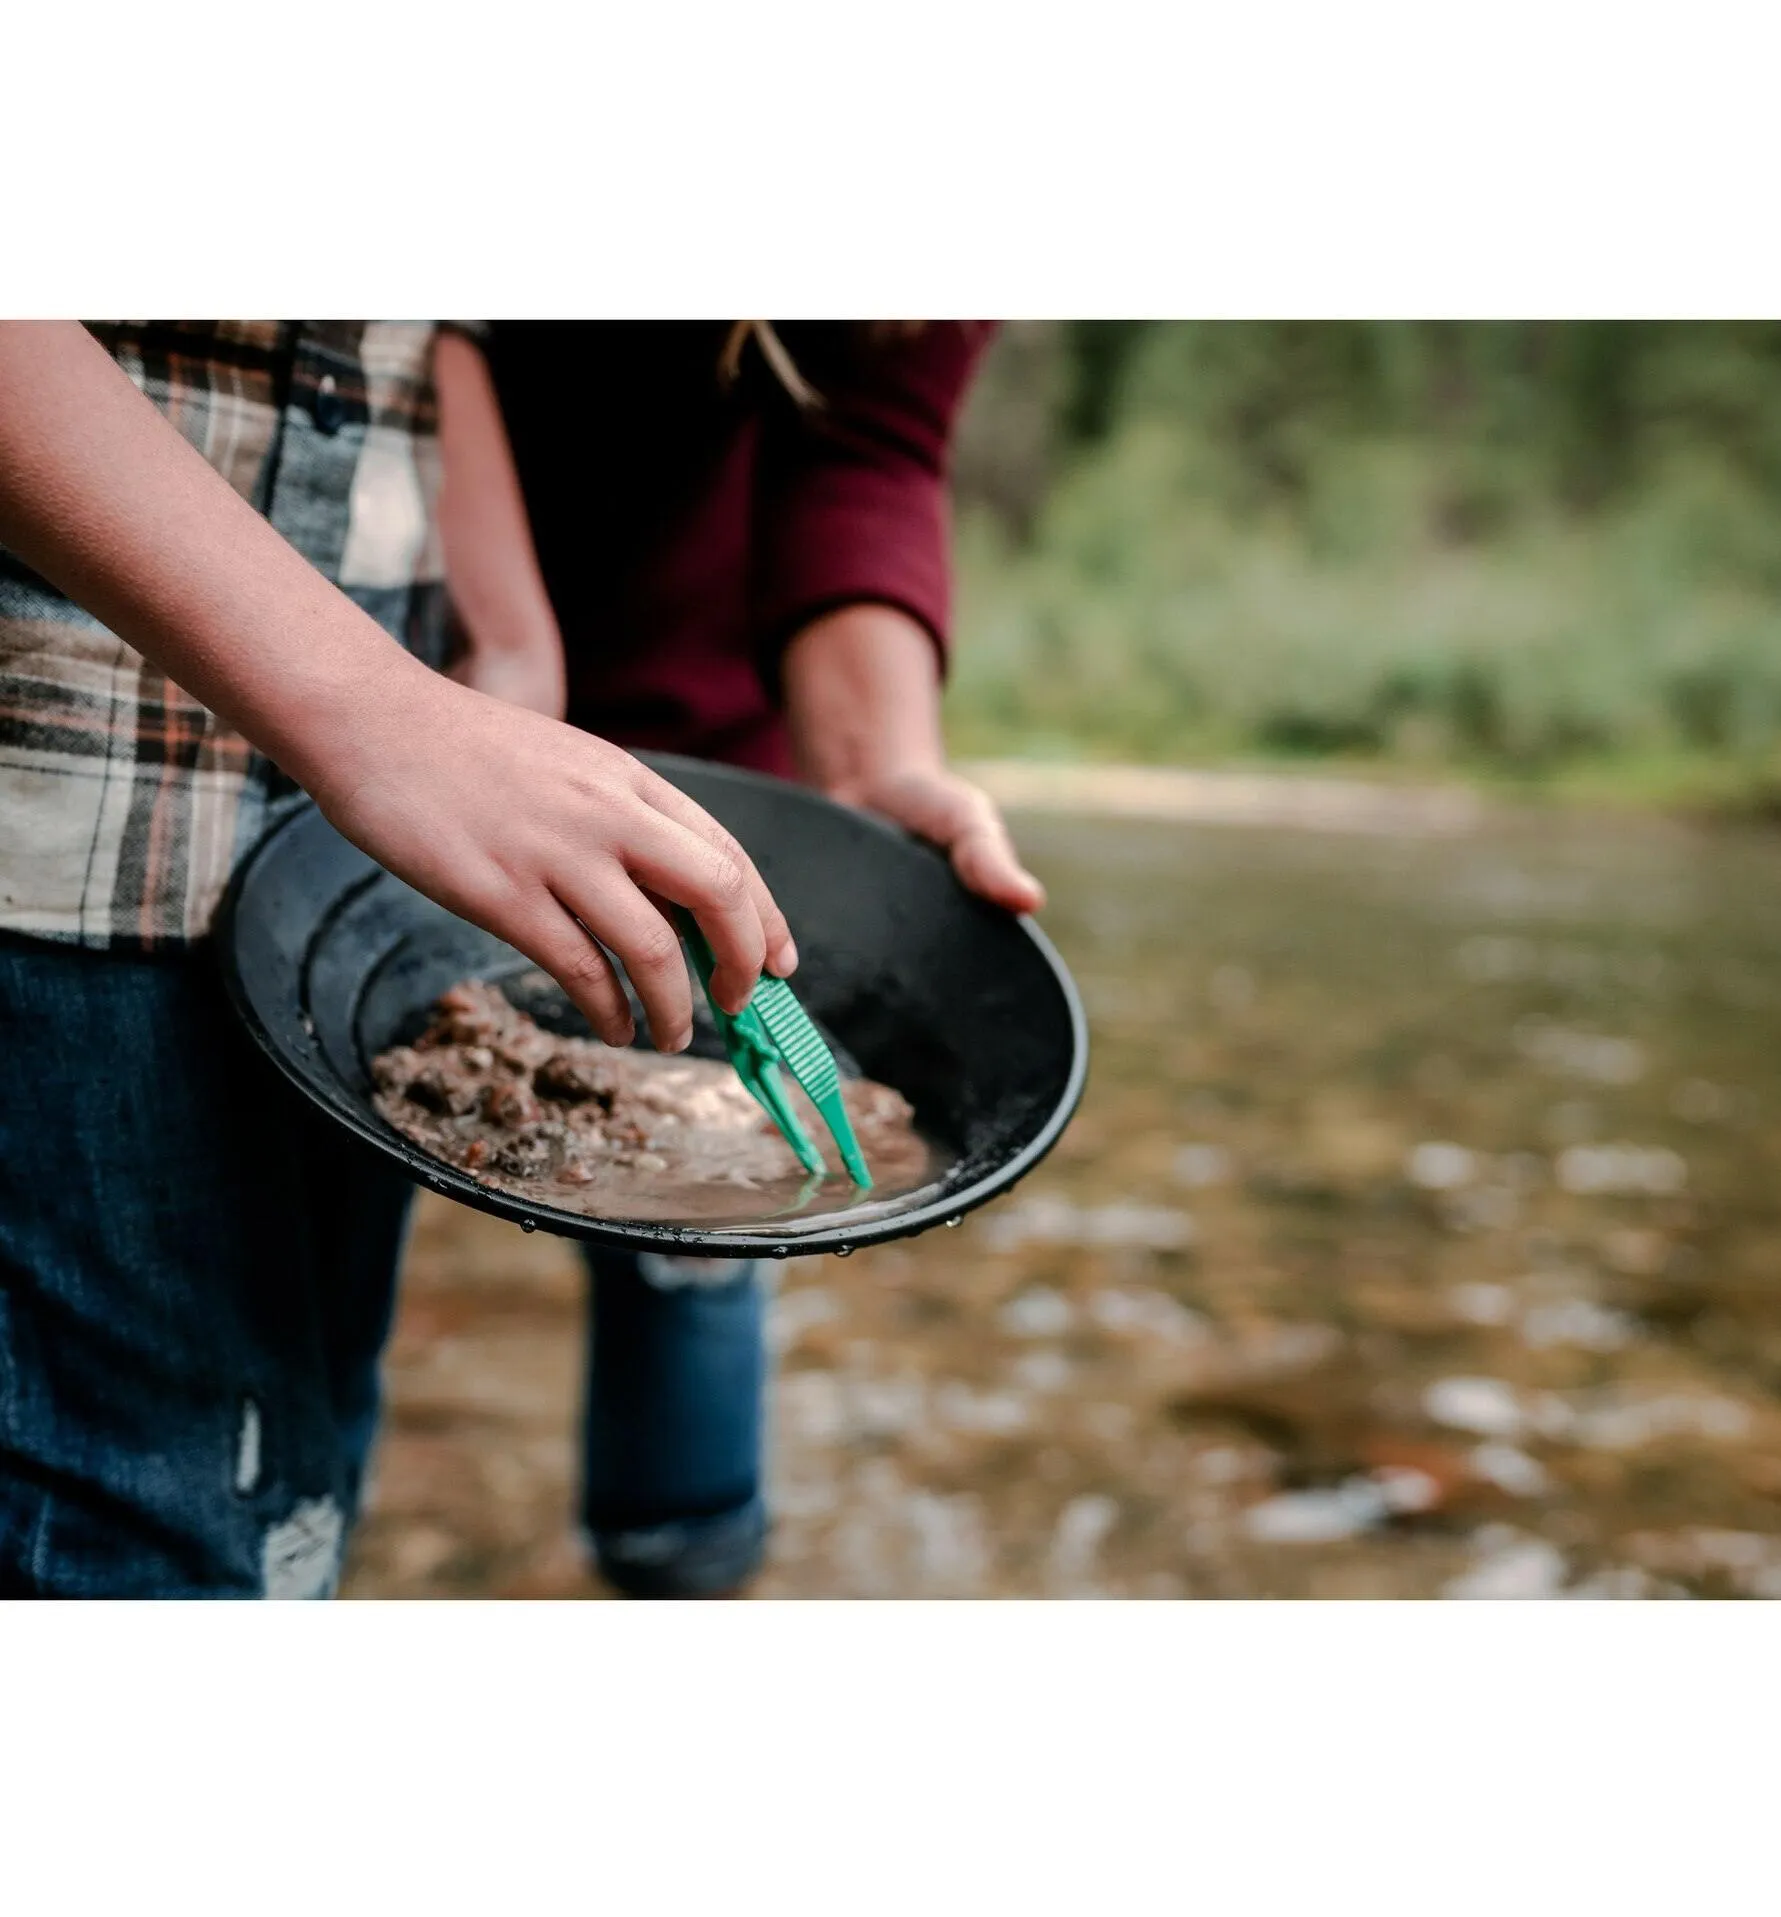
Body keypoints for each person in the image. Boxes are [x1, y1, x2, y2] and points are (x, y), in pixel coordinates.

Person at [0, 321, 792, 1597]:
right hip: (69, 815)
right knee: (163, 1554)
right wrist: (376, 712)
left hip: (363, 872)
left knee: (303, 1503)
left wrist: (506, 629)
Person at [459, 321, 1044, 1596]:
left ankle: (683, 1567)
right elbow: (398, 328)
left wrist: (872, 768)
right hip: (400, 679)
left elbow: (867, 440)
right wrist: (496, 679)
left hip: (706, 756)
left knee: (700, 1216)